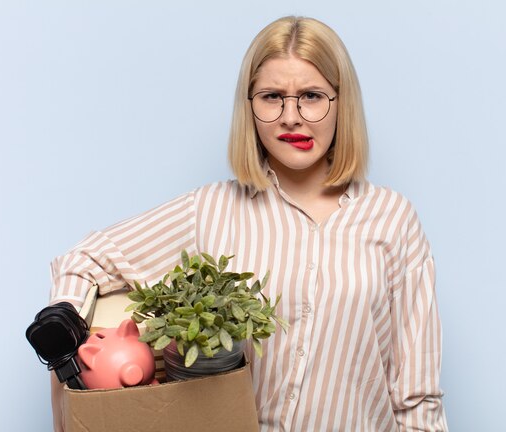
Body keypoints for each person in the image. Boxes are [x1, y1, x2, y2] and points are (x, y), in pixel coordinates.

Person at [49, 16, 448, 431]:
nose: (291, 117)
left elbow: (416, 397)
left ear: (341, 102)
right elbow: (81, 262)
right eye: (272, 96)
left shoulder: (393, 219)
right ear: (250, 107)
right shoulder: (211, 210)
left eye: (312, 96)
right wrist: (65, 348)